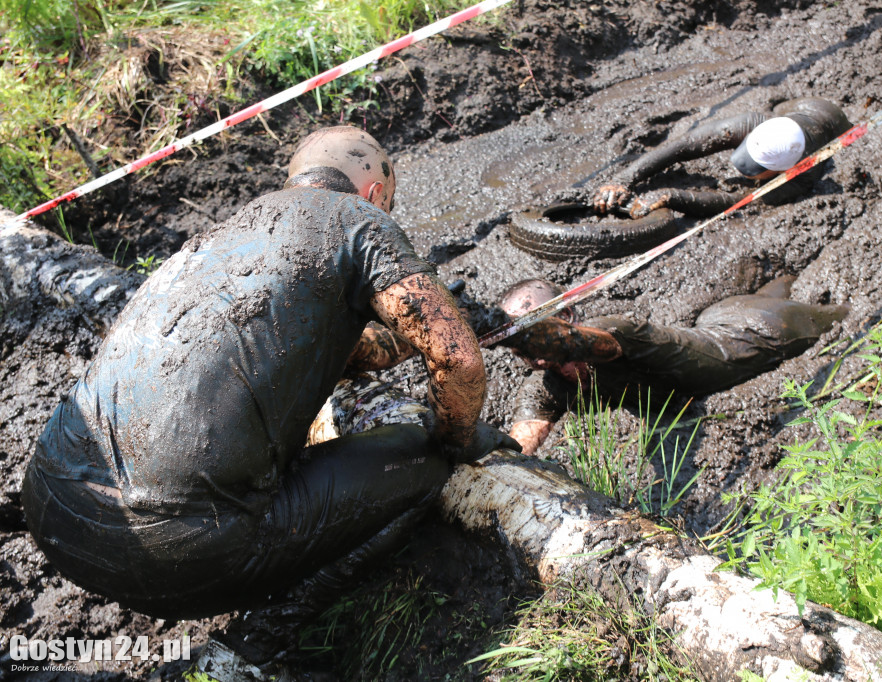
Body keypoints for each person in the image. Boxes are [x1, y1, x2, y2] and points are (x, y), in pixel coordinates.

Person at [20, 126, 518, 632]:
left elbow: (320, 346)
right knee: (426, 461)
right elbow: (460, 361)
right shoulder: (358, 220)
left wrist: (405, 338)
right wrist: (455, 437)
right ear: (375, 194)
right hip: (171, 556)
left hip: (49, 509)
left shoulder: (228, 232)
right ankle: (275, 629)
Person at [497, 277, 847, 454]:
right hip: (719, 316)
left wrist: (495, 326)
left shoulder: (613, 332)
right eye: (518, 346)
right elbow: (519, 444)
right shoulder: (544, 385)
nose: (534, 356)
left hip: (762, 334)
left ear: (567, 316)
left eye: (530, 336)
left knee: (849, 316)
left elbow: (571, 343)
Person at [592, 98, 851, 219]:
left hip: (832, 123)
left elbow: (744, 201)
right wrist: (623, 179)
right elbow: (684, 145)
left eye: (757, 171)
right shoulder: (753, 123)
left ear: (784, 170)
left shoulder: (805, 173)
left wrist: (672, 197)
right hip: (801, 107)